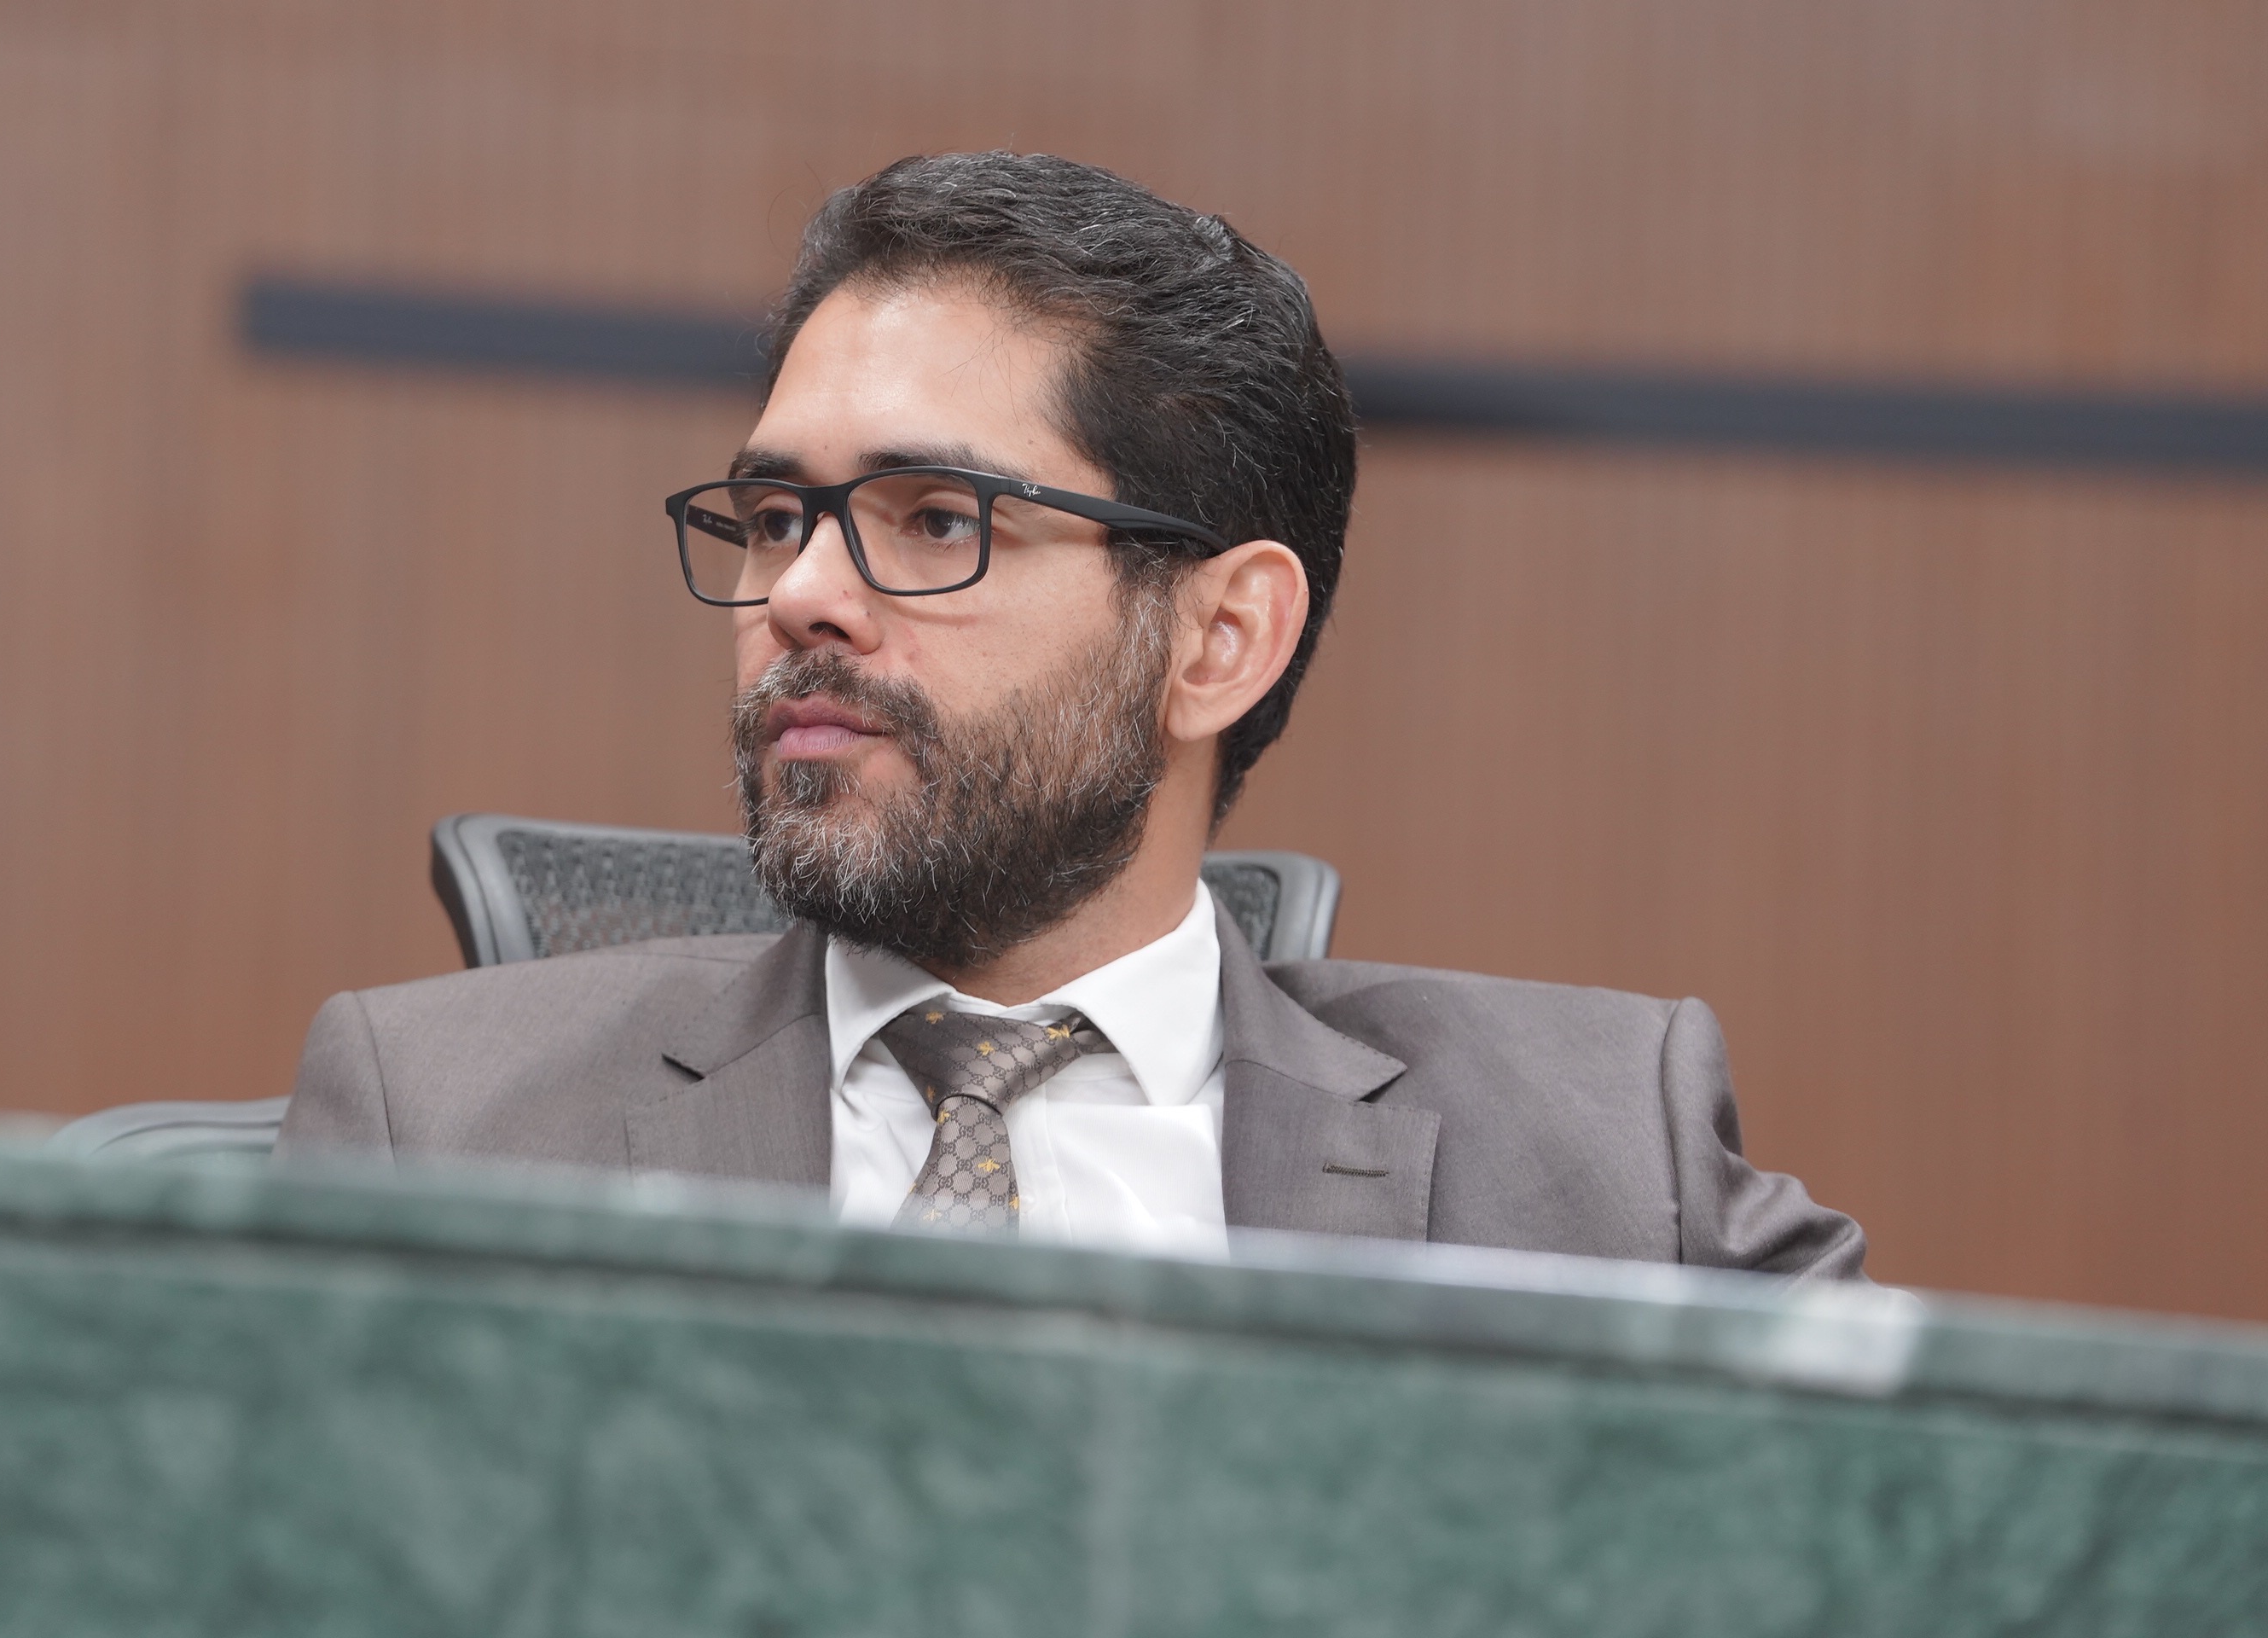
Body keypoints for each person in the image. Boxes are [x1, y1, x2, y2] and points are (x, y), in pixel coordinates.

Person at [279, 151, 1865, 1278]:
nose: (800, 594)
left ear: (1219, 639)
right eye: (773, 518)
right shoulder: (446, 1130)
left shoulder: (1607, 1165)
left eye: (934, 518)